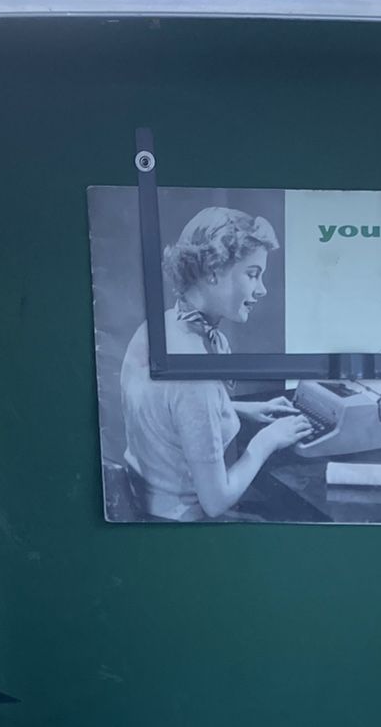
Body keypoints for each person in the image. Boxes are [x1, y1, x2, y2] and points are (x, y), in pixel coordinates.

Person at [119, 206, 310, 521]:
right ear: (213, 271)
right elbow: (216, 501)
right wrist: (268, 440)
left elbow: (167, 412)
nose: (262, 289)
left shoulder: (159, 327)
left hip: (145, 505)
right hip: (182, 525)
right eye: (252, 274)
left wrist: (241, 409)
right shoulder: (195, 373)